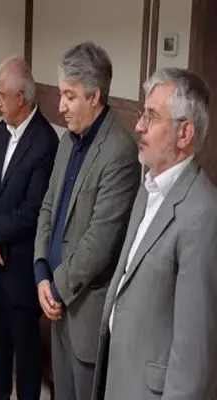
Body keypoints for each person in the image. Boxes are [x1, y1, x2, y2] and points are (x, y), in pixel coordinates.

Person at [92, 68, 217, 399]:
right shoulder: (149, 187)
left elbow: (192, 361)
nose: (139, 126)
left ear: (184, 133)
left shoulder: (203, 215)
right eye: (141, 114)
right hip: (120, 375)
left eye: (152, 117)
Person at [33, 42, 140, 400]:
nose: (60, 106)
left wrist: (56, 287)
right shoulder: (67, 142)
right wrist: (40, 270)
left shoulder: (120, 152)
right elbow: (48, 206)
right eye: (61, 94)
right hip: (56, 299)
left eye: (70, 96)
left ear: (95, 97)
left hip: (85, 310)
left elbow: (99, 243)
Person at [0, 56, 59, 400]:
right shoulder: (2, 131)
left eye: (1, 95)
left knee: (26, 360)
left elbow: (33, 211)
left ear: (20, 98)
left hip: (22, 271)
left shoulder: (45, 143)